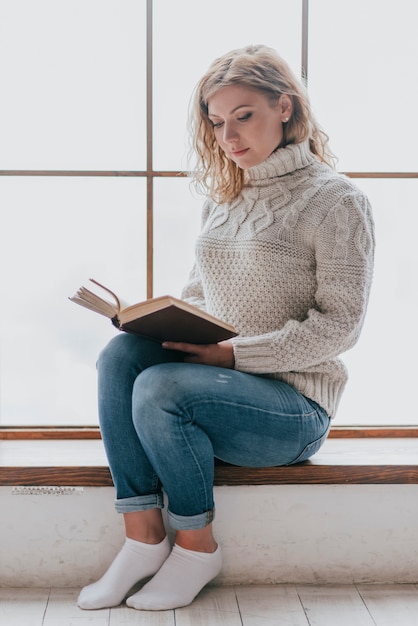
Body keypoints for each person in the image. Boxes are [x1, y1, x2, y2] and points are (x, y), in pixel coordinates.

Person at [78, 44, 374, 612]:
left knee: (160, 387)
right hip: (219, 383)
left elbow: (340, 327)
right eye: (216, 122)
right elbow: (200, 295)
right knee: (121, 355)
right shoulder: (226, 196)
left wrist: (235, 355)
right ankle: (141, 537)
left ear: (284, 107)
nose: (228, 136)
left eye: (244, 116)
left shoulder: (337, 202)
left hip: (293, 407)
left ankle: (195, 547)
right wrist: (160, 323)